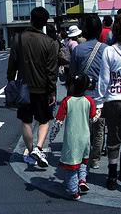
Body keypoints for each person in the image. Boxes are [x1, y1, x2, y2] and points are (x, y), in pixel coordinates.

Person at [7, 6, 59, 167]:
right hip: (43, 88)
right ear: (44, 23)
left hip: (23, 88)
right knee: (44, 120)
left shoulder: (19, 38)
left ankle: (30, 153)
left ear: (31, 19)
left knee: (26, 121)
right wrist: (52, 91)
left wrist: (10, 81)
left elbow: (12, 64)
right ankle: (38, 147)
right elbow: (52, 71)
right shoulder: (50, 43)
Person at [49, 73, 97, 200]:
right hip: (85, 137)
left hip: (72, 139)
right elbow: (93, 118)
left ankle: (73, 191)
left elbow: (58, 122)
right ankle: (82, 180)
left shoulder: (67, 101)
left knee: (71, 166)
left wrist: (52, 136)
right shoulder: (89, 101)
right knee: (83, 161)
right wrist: (99, 112)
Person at [69, 15, 107, 169]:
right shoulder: (106, 49)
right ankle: (95, 159)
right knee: (99, 129)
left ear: (83, 30)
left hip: (82, 95)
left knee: (82, 128)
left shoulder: (78, 50)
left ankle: (82, 157)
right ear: (99, 30)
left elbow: (72, 73)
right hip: (100, 96)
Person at [97, 13, 121, 190]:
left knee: (113, 138)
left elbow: (104, 80)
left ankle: (112, 176)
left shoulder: (109, 51)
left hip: (113, 100)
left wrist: (100, 101)